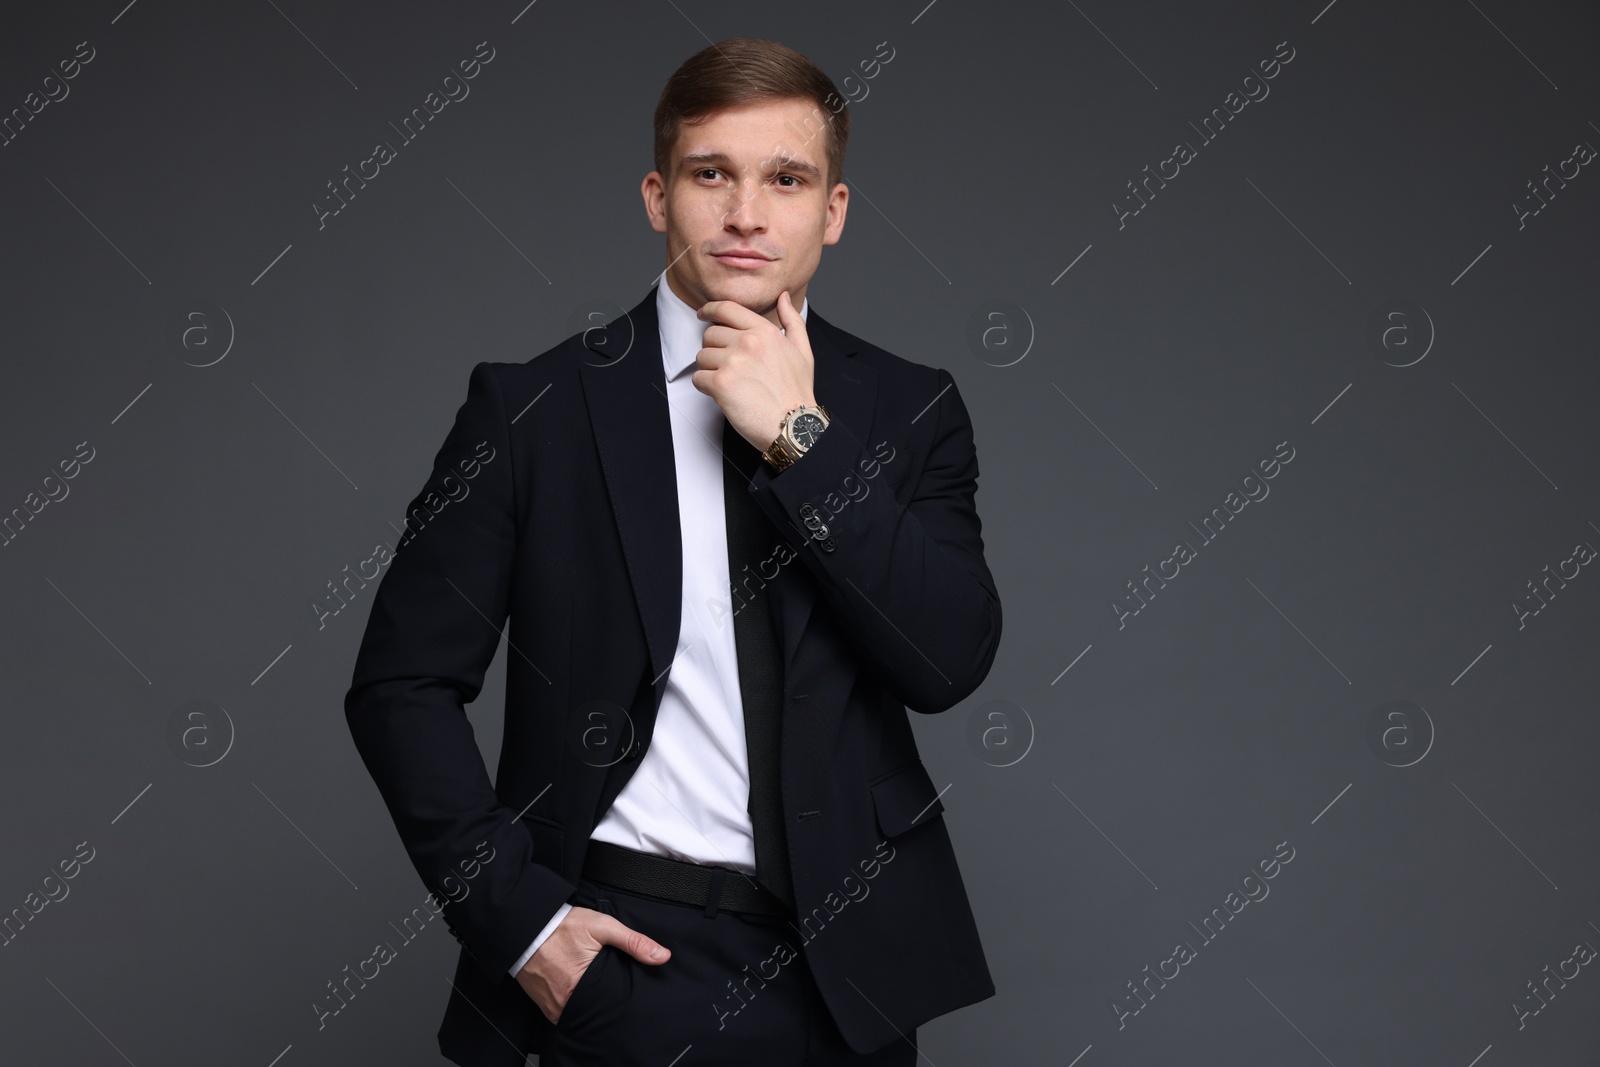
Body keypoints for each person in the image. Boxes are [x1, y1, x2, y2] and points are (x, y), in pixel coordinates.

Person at [344, 36, 1001, 1067]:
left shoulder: (910, 411)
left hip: (848, 980)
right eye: (711, 175)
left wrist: (799, 436)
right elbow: (400, 685)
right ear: (658, 197)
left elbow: (945, 660)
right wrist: (523, 925)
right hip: (622, 965)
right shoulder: (532, 414)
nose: (747, 214)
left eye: (785, 179)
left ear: (831, 209)